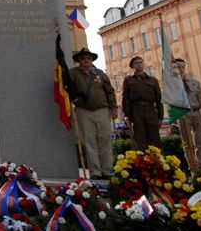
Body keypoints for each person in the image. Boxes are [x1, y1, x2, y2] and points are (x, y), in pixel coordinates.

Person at [68, 47, 118, 180]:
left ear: (92, 60)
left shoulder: (100, 74)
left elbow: (110, 91)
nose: (86, 60)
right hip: (84, 110)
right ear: (79, 60)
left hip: (102, 109)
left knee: (105, 140)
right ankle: (95, 171)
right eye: (83, 58)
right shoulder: (72, 73)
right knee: (90, 142)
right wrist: (74, 99)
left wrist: (114, 108)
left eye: (88, 58)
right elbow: (67, 88)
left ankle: (107, 170)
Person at [122, 56, 163, 151]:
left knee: (154, 137)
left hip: (150, 110)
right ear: (132, 66)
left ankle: (157, 162)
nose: (139, 64)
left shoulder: (153, 80)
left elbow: (158, 99)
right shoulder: (129, 80)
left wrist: (160, 117)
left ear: (143, 64)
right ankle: (142, 162)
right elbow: (125, 98)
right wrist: (127, 115)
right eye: (136, 63)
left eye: (140, 62)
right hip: (136, 110)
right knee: (140, 138)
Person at [173, 57, 201, 170]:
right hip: (183, 114)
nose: (181, 69)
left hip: (196, 112)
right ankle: (193, 168)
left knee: (200, 142)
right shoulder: (173, 84)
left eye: (182, 67)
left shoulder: (194, 82)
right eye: (178, 67)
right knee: (188, 143)